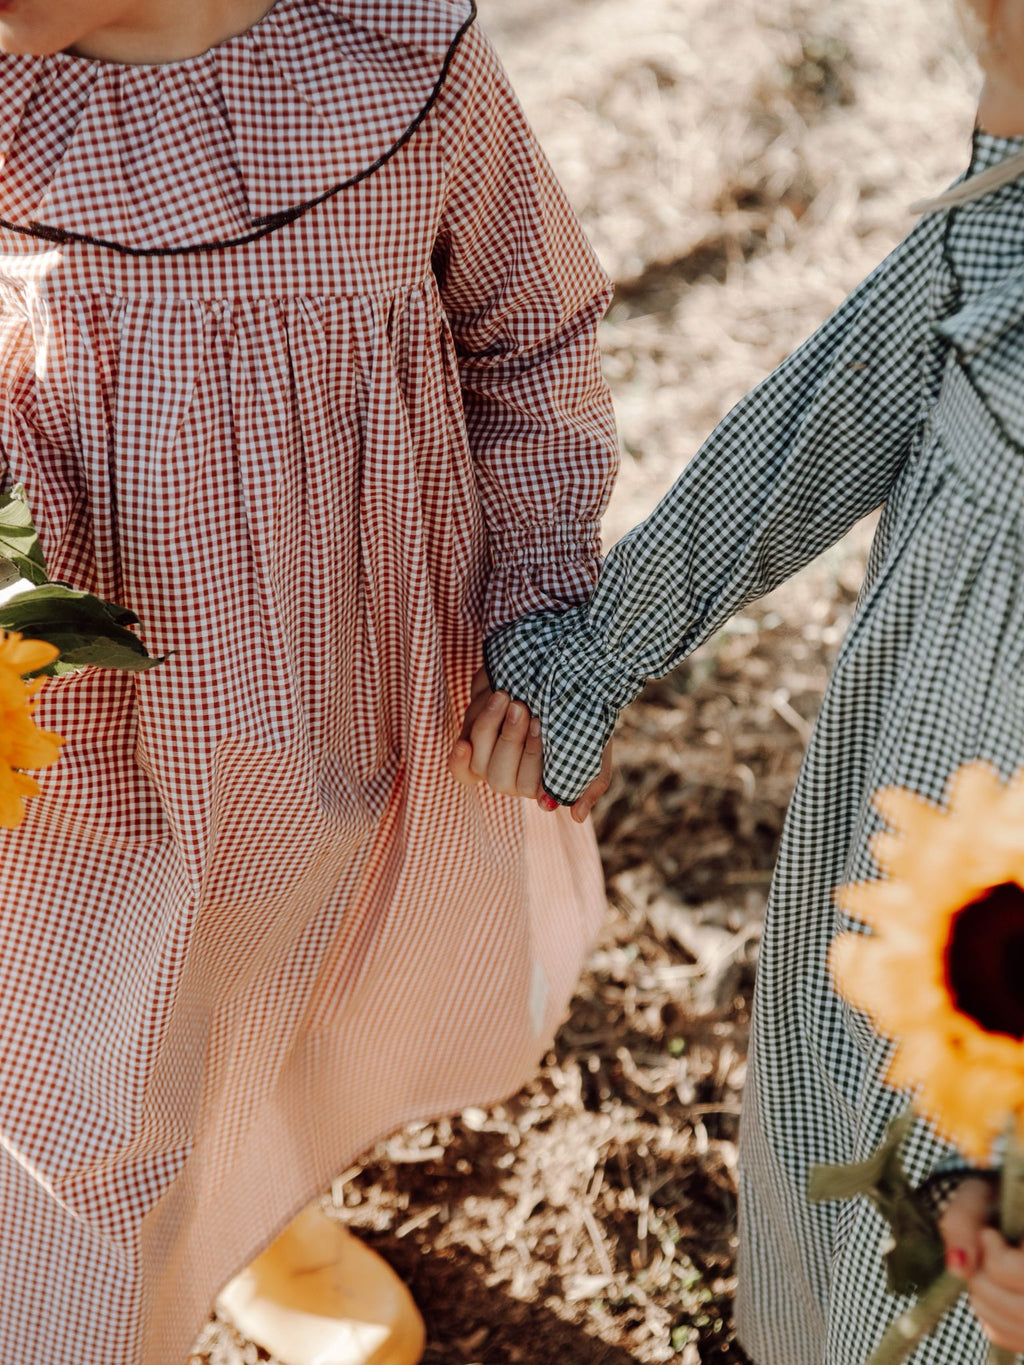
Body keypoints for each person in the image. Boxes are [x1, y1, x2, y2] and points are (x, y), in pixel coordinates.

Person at [0, 2, 619, 1363]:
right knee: (83, 1062)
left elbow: (533, 338)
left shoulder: (399, 61)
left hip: (349, 668)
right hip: (71, 702)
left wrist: (535, 608)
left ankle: (263, 1208)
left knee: (294, 976)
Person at [451, 0, 1024, 1358]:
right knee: (847, 1147)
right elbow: (808, 434)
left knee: (968, 1278)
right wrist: (596, 652)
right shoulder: (1005, 224)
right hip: (921, 857)